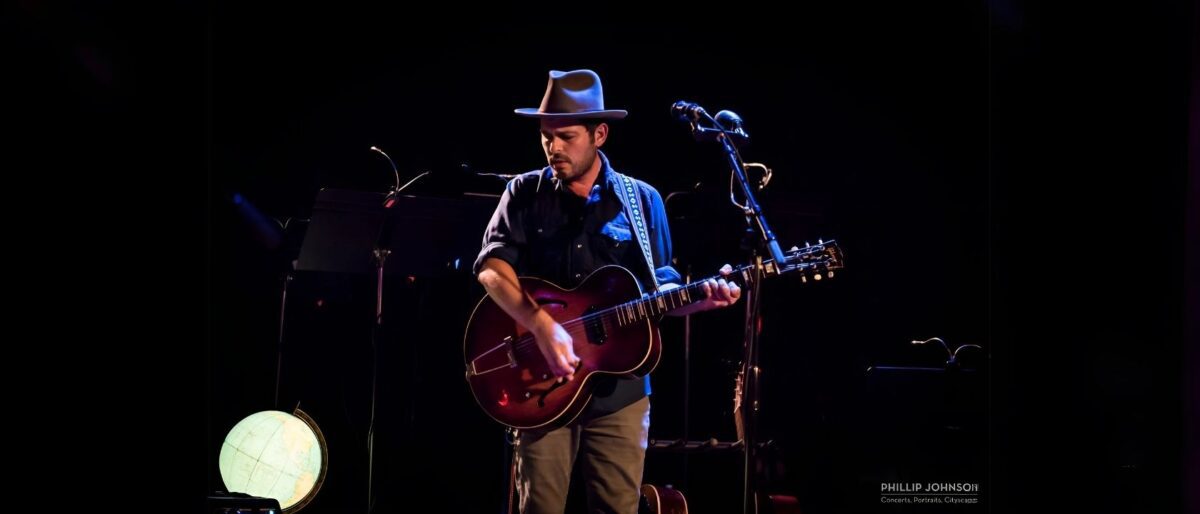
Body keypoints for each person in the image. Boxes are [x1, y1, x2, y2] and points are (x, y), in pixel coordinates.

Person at [474, 69, 741, 514]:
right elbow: (491, 270)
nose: (553, 147)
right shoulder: (523, 192)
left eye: (566, 136)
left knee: (618, 507)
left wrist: (700, 298)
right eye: (546, 136)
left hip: (621, 392)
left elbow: (661, 289)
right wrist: (541, 326)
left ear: (599, 134)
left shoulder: (643, 200)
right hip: (543, 387)